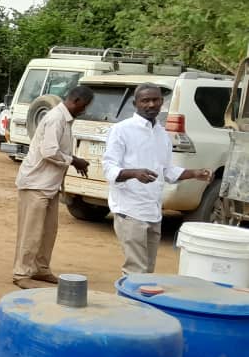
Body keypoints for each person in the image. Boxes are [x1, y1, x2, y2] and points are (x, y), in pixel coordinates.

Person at [103, 82, 212, 274]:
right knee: (136, 269)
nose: (151, 104)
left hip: (153, 210)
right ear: (135, 103)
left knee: (148, 269)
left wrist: (194, 173)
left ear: (162, 102)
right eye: (145, 100)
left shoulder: (162, 133)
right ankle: (128, 303)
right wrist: (134, 173)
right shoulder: (122, 129)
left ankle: (138, 303)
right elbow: (109, 168)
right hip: (130, 209)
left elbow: (167, 170)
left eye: (155, 100)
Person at [12, 86, 94, 289]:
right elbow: (49, 151)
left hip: (49, 184)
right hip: (35, 184)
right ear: (76, 100)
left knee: (48, 231)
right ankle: (21, 273)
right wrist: (74, 160)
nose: (84, 110)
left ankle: (40, 268)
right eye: (84, 106)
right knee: (31, 231)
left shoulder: (64, 119)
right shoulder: (56, 118)